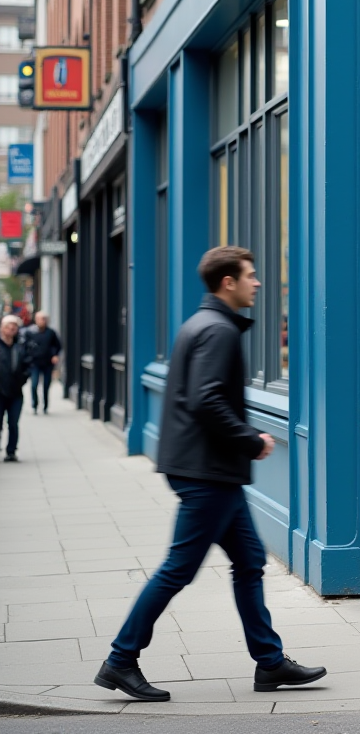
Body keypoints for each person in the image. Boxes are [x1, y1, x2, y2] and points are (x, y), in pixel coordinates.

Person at [94, 246, 326, 702]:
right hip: (208, 473)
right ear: (228, 282)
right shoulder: (217, 330)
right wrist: (250, 439)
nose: (258, 283)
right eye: (251, 276)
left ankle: (269, 661)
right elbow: (206, 400)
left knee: (249, 562)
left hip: (210, 470)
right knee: (178, 569)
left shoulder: (200, 324)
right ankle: (121, 659)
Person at [0, 314, 31, 462]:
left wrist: (22, 379)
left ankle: (11, 451)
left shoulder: (21, 346)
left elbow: (28, 365)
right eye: (8, 326)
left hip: (16, 392)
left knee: (13, 423)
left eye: (14, 327)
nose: (11, 329)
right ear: (2, 328)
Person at [21, 311, 62, 414]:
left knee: (46, 385)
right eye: (40, 318)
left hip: (47, 363)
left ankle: (45, 406)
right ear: (36, 320)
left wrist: (55, 355)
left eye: (44, 319)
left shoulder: (51, 333)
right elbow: (24, 347)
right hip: (34, 363)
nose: (42, 321)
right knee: (34, 384)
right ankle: (35, 405)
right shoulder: (30, 332)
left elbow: (57, 345)